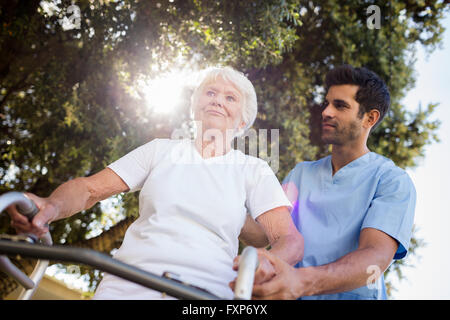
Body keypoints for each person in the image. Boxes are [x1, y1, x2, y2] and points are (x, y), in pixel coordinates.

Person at [6, 66, 303, 299]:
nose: (217, 101)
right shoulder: (161, 150)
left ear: (242, 122)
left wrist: (265, 264)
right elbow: (89, 189)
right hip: (128, 283)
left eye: (230, 97)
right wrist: (51, 205)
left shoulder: (253, 169)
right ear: (195, 105)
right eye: (210, 92)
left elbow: (288, 239)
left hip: (207, 293)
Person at [234, 64, 416, 300]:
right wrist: (223, 206)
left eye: (340, 105)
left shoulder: (391, 181)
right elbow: (263, 233)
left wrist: (301, 282)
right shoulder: (301, 174)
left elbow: (375, 257)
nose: (326, 112)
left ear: (370, 118)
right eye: (327, 103)